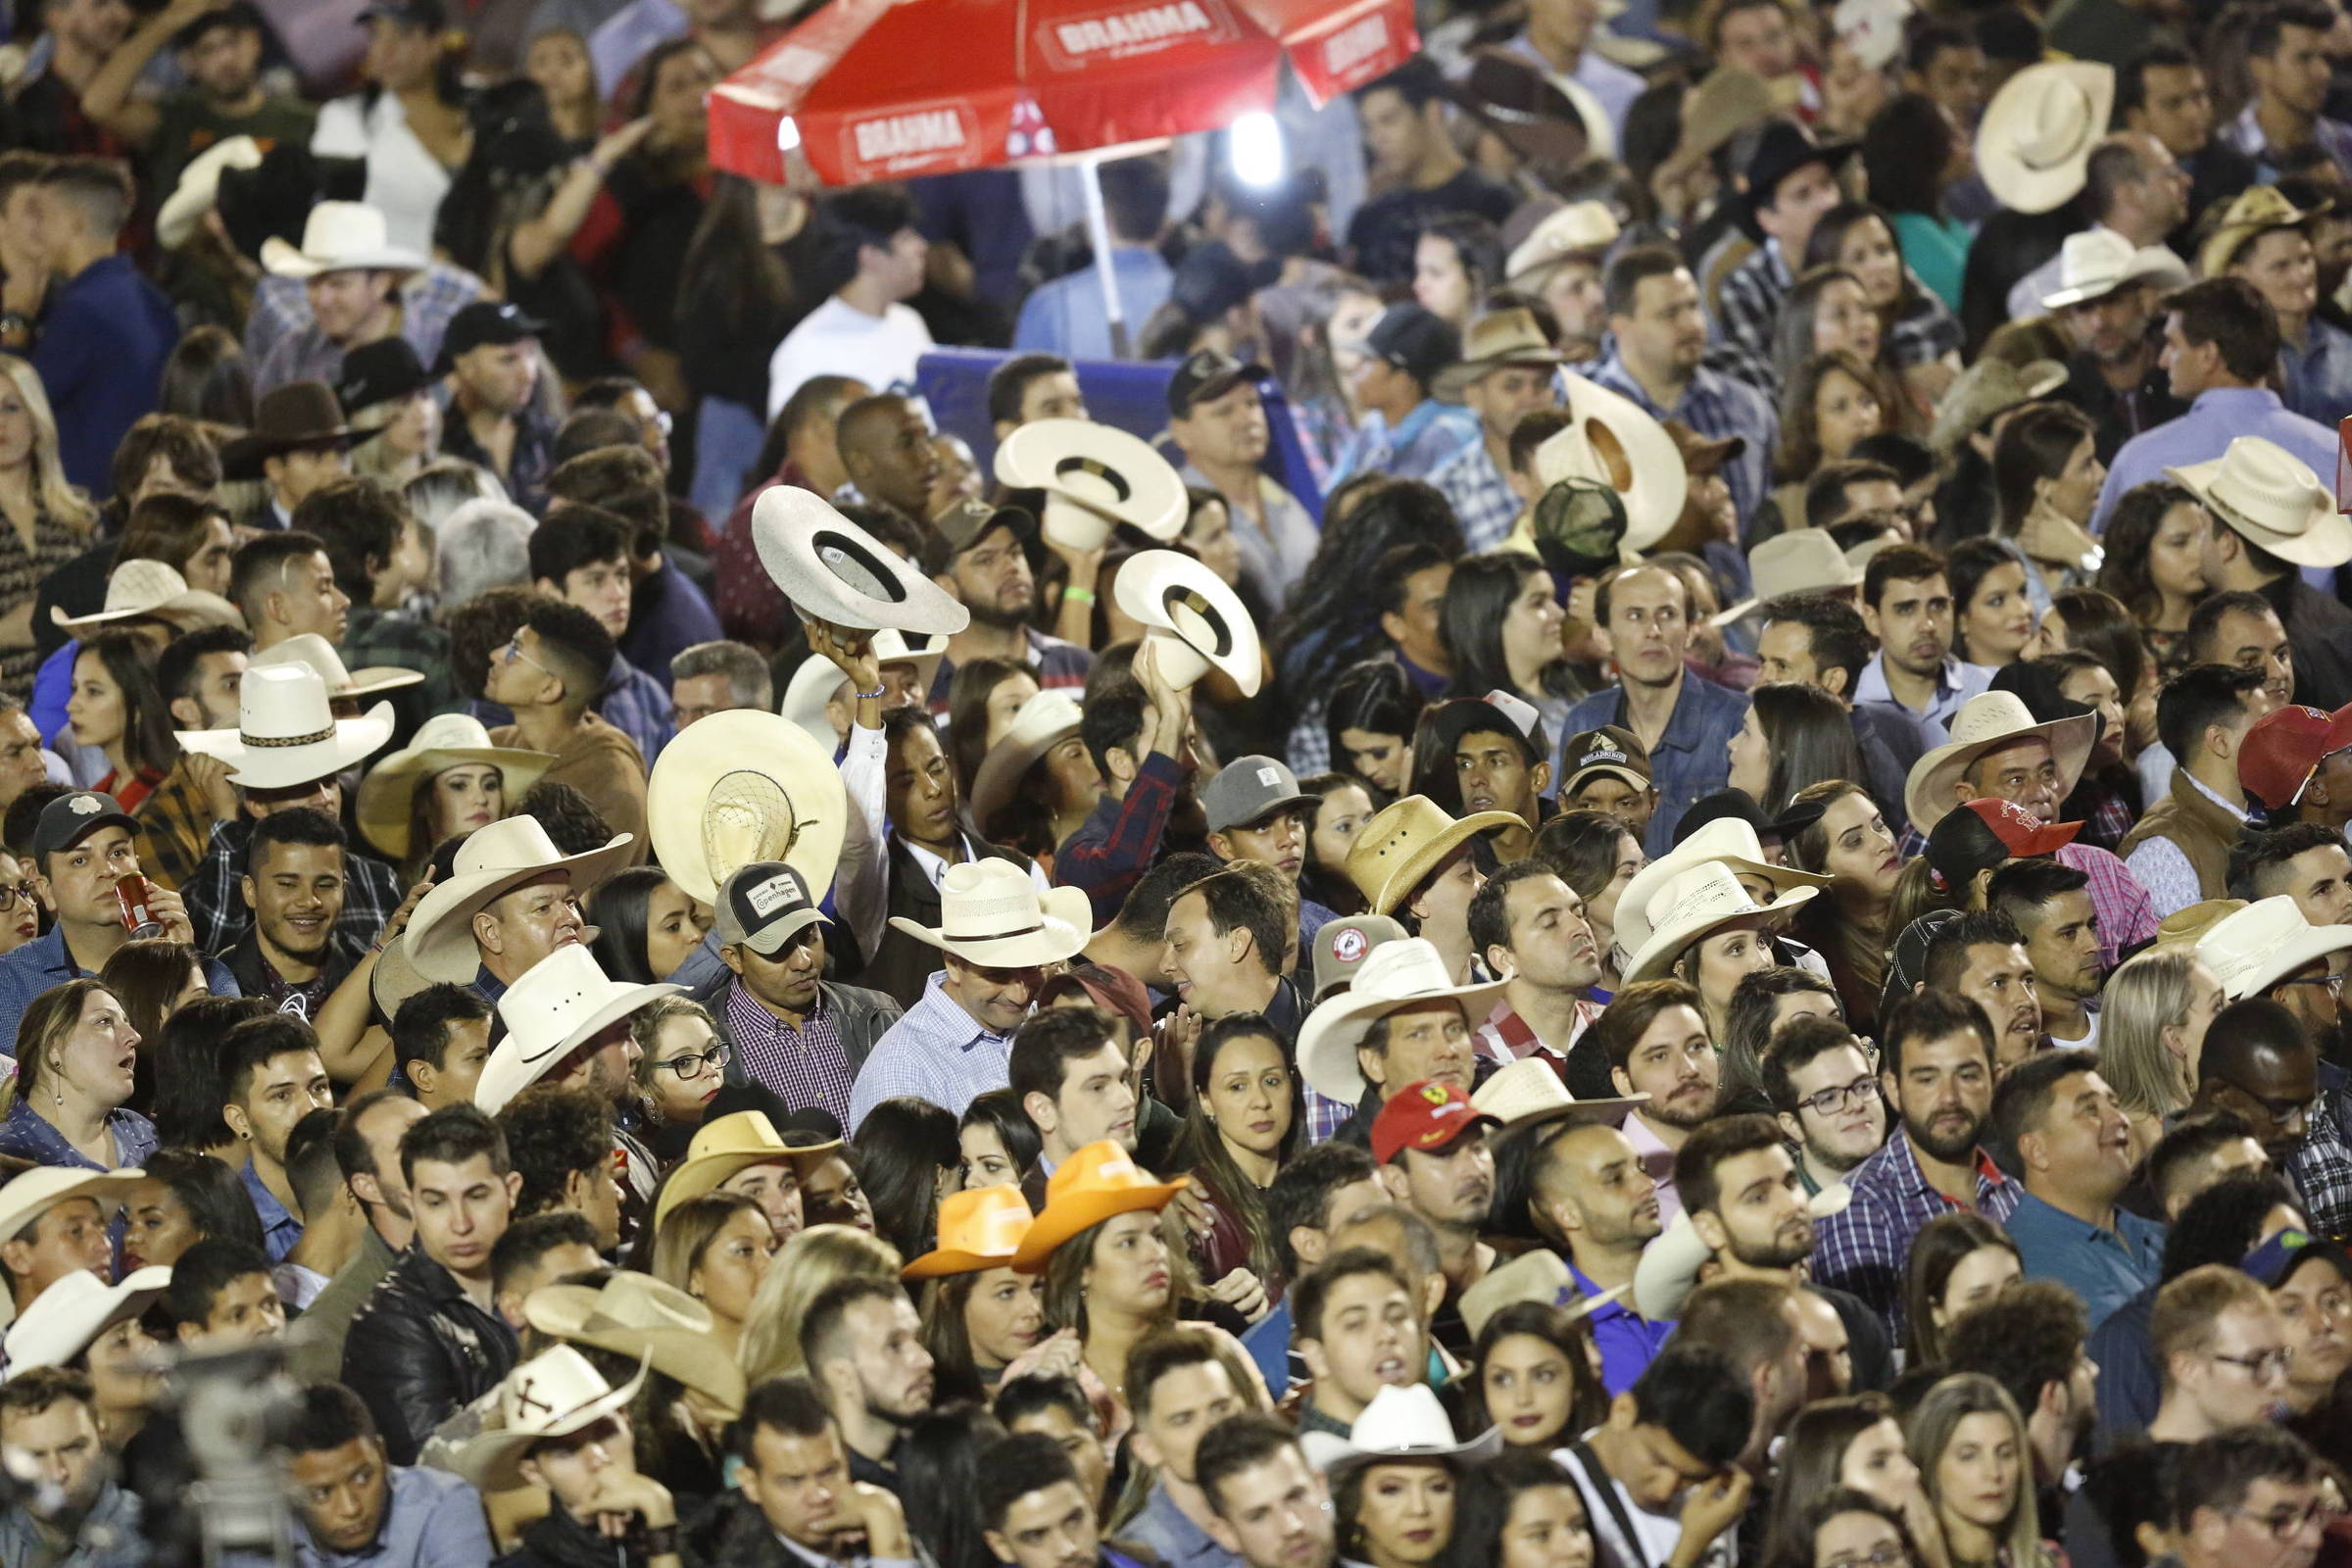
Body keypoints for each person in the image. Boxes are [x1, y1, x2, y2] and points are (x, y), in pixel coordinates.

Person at [1812, 990, 2023, 1336]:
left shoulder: (2012, 1189)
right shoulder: (1860, 1211)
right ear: (1893, 1089)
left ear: (1994, 1080)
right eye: (1927, 1079)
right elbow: (1879, 1367)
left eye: (1967, 1075)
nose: (1949, 1098)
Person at [342, 1102, 522, 1466]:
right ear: (411, 1203)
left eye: (476, 1196)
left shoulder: (547, 1274)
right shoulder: (388, 1325)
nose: (460, 1223)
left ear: (511, 1190)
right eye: (436, 1202)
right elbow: (436, 1469)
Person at [850, 860, 1088, 1130]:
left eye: (1031, 967)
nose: (1020, 994)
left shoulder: (1042, 1024)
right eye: (997, 974)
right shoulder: (903, 1069)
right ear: (953, 964)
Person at [2092, 278, 2336, 535]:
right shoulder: (2336, 450)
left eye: (2173, 345)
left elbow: (2110, 557)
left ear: (2208, 355)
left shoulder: (2139, 458)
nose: (2163, 361)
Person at [695, 859, 900, 1128]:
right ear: (733, 958)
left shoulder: (878, 1015)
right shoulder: (705, 1044)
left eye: (808, 937)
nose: (803, 962)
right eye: (778, 950)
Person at [1591, 247, 1776, 530]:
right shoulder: (1592, 418)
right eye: (1670, 314)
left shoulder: (1747, 407)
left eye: (1693, 306)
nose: (1691, 324)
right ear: (1620, 326)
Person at [452, 1345, 684, 1568]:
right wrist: (661, 1540)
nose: (597, 1459)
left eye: (604, 1432)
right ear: (534, 1473)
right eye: (567, 1451)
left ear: (627, 1422)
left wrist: (659, 1514)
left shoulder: (707, 1529)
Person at [25, 158, 179, 496]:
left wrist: (13, 315)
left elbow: (20, 405)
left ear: (74, 222)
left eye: (43, 217)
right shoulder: (152, 299)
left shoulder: (82, 310)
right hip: (139, 498)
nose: (35, 231)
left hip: (90, 509)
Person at [1552, 1339, 1754, 1568]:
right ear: (1623, 1411)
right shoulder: (1550, 1490)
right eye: (1658, 1461)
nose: (1664, 1490)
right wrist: (1688, 1550)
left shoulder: (1720, 1499)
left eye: (1690, 1479)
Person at [687, 1373, 919, 1568]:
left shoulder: (883, 1504)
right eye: (793, 1481)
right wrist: (888, 1535)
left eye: (829, 1472)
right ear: (750, 1484)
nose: (820, 1496)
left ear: (846, 1460)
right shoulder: (725, 1555)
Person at [482, 597, 650, 851]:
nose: (495, 655)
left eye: (514, 651)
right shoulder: (492, 747)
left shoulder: (614, 787)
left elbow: (593, 887)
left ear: (549, 688)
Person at [766, 187, 934, 418]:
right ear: (870, 256)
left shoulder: (910, 323)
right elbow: (799, 449)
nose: (921, 247)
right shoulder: (807, 353)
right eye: (906, 238)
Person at [1345, 60, 1514, 285]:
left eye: (1389, 120)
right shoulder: (1368, 220)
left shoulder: (1492, 202)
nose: (1377, 139)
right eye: (1368, 127)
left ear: (1432, 112)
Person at [801, 1275, 935, 1493]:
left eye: (917, 1340)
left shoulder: (940, 1467)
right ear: (842, 1376)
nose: (925, 1360)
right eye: (894, 1346)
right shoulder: (818, 1498)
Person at [0, 1368, 144, 1566]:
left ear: (102, 1438)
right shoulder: (7, 1523)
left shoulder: (149, 1541)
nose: (57, 1473)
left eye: (72, 1449)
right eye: (35, 1456)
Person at [1902, 1374, 2048, 1568]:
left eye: (2005, 1454)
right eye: (1968, 1456)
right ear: (1930, 1464)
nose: (1994, 1473)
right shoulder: (1900, 1563)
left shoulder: (2046, 1561)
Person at [1328, 304, 1476, 489]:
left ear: (1403, 380)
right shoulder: (1374, 429)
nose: (1356, 368)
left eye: (1369, 362)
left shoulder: (1447, 436)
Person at [1288, 1246, 1429, 1436]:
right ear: (1316, 1356)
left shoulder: (1440, 1432)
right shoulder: (1298, 1462)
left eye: (1397, 1316)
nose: (1386, 1335)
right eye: (1356, 1324)